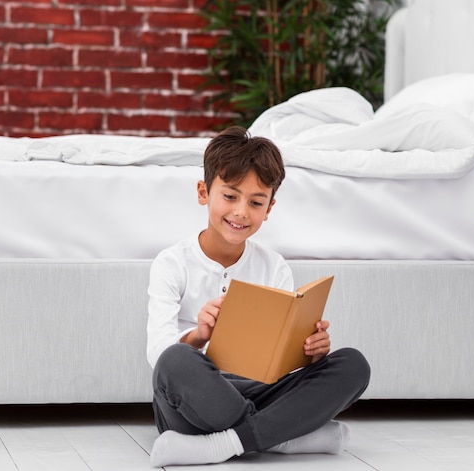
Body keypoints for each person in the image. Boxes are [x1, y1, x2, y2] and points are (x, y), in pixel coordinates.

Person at [146, 126, 370, 467]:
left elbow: (279, 366)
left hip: (260, 391)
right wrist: (198, 336)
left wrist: (310, 352)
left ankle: (230, 443)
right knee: (175, 361)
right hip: (196, 401)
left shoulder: (273, 266)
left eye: (255, 202)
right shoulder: (172, 262)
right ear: (204, 192)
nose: (241, 212)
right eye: (230, 196)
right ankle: (284, 436)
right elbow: (157, 355)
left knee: (353, 365)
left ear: (269, 208)